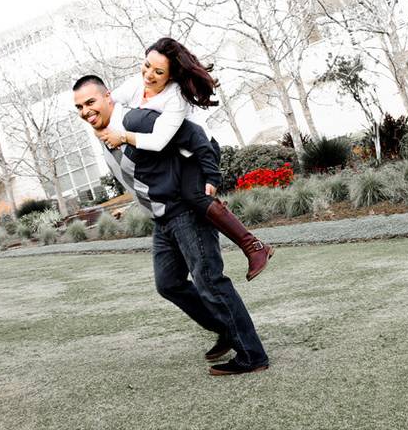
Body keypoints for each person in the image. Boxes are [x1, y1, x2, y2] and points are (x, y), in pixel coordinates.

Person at [73, 74, 269, 376]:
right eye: (79, 107)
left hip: (185, 211)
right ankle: (226, 329)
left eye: (90, 102)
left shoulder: (136, 120)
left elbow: (195, 134)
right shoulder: (103, 135)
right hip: (162, 220)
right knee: (168, 284)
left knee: (209, 281)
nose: (86, 111)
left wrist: (209, 178)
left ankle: (252, 354)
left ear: (107, 97)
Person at [94, 37, 273, 281]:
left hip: (200, 152)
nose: (148, 75)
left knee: (195, 195)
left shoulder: (174, 96)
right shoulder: (136, 84)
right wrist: (101, 124)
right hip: (177, 153)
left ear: (170, 75)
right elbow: (110, 103)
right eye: (147, 65)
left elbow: (158, 141)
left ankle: (253, 246)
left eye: (158, 71)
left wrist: (122, 136)